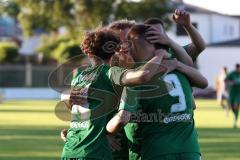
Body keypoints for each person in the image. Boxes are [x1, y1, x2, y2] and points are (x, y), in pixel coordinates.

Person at [61, 27, 169, 160]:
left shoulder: (79, 77)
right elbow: (142, 75)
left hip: (70, 149)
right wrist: (159, 55)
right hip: (94, 151)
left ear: (88, 52)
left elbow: (77, 107)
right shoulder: (110, 73)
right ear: (115, 51)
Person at [107, 24, 208, 160]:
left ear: (134, 45)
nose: (124, 48)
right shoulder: (175, 65)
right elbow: (202, 84)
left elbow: (121, 119)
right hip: (190, 150)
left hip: (154, 150)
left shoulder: (137, 78)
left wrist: (104, 131)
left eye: (126, 42)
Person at [225, 64, 240, 128]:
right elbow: (226, 80)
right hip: (232, 93)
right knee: (232, 107)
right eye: (237, 68)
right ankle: (235, 115)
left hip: (238, 93)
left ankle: (235, 122)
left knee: (236, 105)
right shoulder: (232, 74)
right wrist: (230, 83)